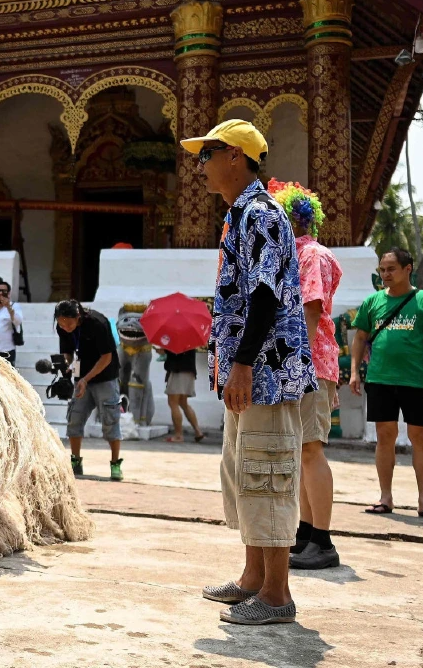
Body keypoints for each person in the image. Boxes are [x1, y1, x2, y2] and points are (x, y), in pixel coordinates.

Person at [181, 120, 316, 626]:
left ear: (235, 156)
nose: (202, 166)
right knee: (244, 475)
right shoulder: (241, 214)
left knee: (268, 476)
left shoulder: (259, 213)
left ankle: (277, 595)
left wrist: (240, 364)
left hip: (265, 372)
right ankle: (253, 579)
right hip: (250, 374)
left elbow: (263, 297)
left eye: (207, 155)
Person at [269, 179, 343, 569]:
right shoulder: (299, 252)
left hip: (309, 362)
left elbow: (311, 310)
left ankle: (324, 540)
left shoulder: (310, 253)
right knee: (302, 450)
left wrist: (296, 362)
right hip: (306, 362)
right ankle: (306, 532)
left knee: (311, 448)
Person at [349, 247, 423, 523]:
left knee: (420, 438)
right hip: (380, 379)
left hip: (416, 380)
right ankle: (385, 497)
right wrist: (355, 372)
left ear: (408, 269)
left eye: (391, 269)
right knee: (385, 436)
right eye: (382, 269)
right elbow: (360, 338)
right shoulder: (373, 302)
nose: (385, 274)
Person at [55, 299, 124, 481]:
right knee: (74, 419)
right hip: (81, 378)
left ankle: (115, 463)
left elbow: (107, 357)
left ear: (78, 317)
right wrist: (66, 365)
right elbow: (68, 352)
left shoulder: (97, 323)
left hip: (105, 377)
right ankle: (75, 461)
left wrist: (86, 379)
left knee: (110, 421)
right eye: (61, 323)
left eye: (68, 323)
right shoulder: (62, 327)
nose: (65, 326)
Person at [160, 348, 203, 443]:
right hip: (189, 370)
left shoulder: (177, 335)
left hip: (178, 371)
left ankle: (178, 435)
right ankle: (197, 431)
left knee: (173, 403)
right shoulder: (190, 336)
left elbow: (176, 352)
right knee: (183, 403)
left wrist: (165, 350)